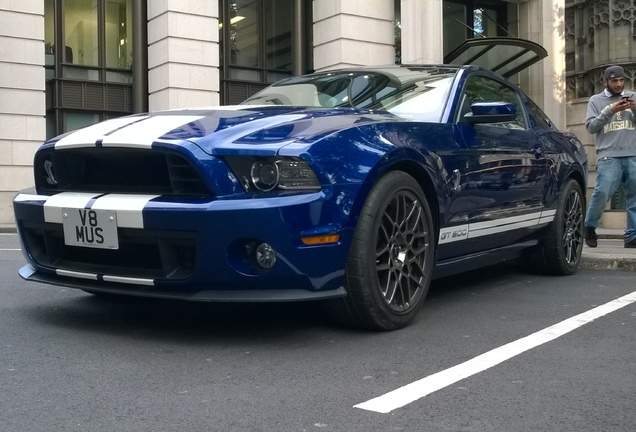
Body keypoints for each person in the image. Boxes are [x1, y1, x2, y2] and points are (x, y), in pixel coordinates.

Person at [584, 65, 636, 248]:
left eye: (621, 80)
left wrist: (634, 109)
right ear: (605, 82)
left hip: (633, 153)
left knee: (634, 197)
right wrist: (610, 111)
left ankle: (632, 235)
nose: (619, 84)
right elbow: (590, 127)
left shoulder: (633, 96)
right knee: (602, 192)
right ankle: (589, 227)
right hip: (608, 155)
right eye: (614, 81)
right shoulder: (595, 100)